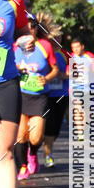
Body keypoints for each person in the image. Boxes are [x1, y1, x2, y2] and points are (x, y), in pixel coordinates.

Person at [0, 0, 26, 188]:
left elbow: (22, 31)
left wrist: (26, 39)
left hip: (6, 82)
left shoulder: (12, 2)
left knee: (5, 151)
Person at [14, 15, 59, 179]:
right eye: (26, 26)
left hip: (39, 96)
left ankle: (33, 153)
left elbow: (55, 69)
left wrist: (46, 78)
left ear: (36, 29)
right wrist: (17, 69)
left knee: (35, 137)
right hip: (21, 94)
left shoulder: (44, 46)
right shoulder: (15, 47)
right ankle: (23, 166)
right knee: (20, 135)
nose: (30, 29)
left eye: (33, 26)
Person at [39, 17, 68, 167]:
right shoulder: (44, 52)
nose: (59, 39)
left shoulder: (63, 54)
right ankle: (47, 154)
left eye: (60, 37)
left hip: (62, 94)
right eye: (55, 37)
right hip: (47, 94)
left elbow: (70, 71)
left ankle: (48, 150)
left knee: (55, 128)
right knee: (47, 126)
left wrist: (68, 75)